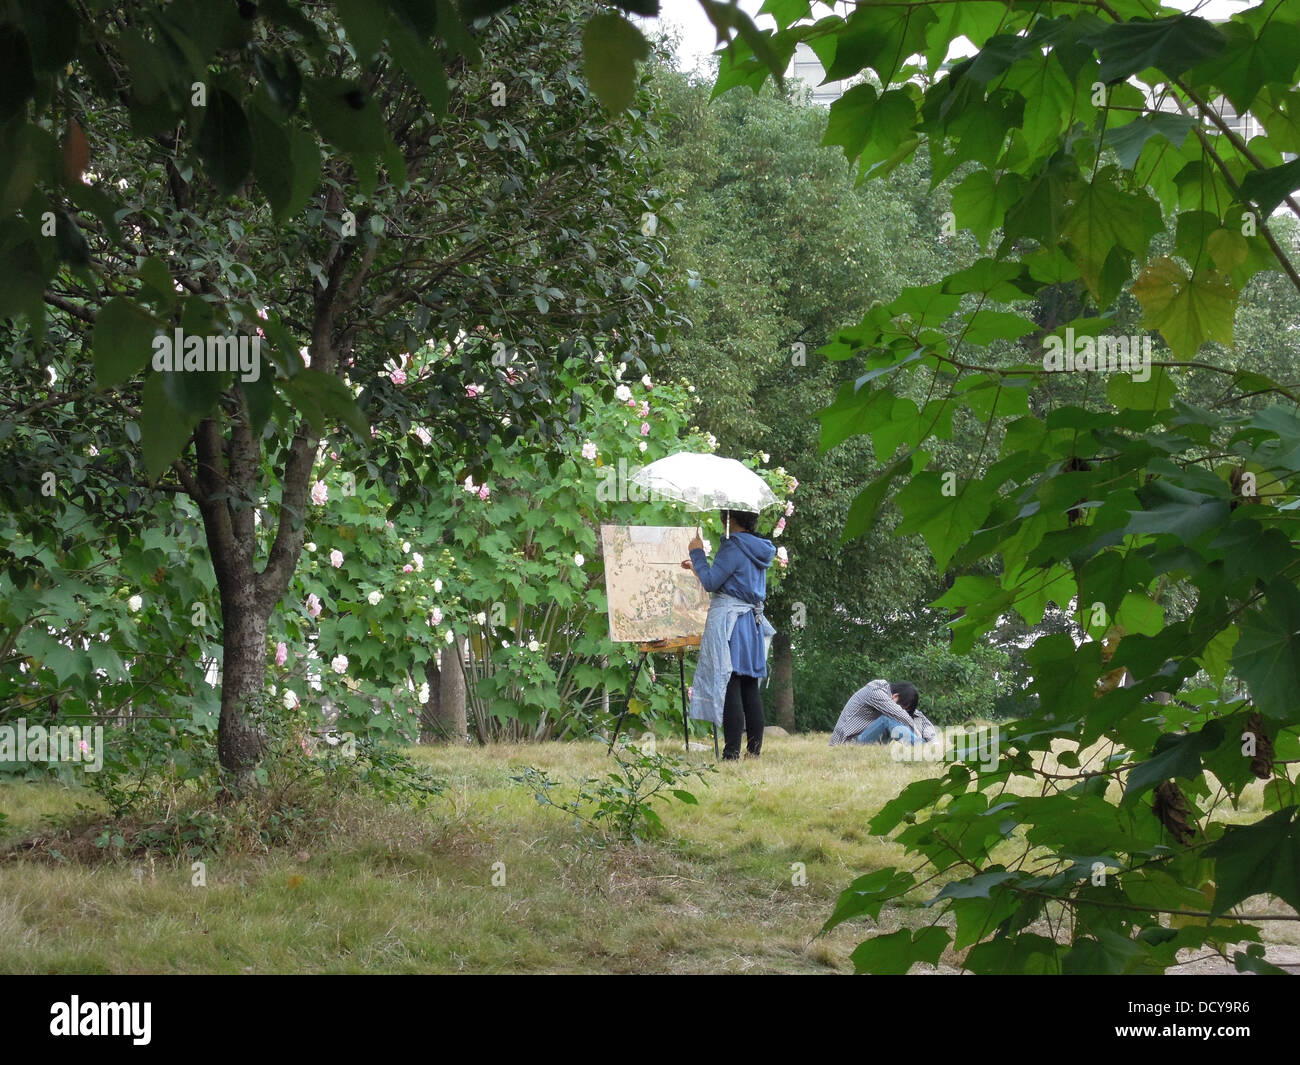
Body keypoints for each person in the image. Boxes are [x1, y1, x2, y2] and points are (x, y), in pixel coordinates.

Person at [681, 509, 777, 760]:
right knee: (748, 687)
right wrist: (697, 568)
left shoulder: (734, 546)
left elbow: (712, 583)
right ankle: (753, 752)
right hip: (750, 624)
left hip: (732, 624)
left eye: (725, 516)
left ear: (731, 519)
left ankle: (731, 753)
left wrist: (697, 553)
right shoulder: (759, 548)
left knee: (732, 684)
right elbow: (733, 581)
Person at [828, 679, 936, 747]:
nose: (902, 710)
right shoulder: (875, 691)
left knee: (897, 719)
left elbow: (916, 715)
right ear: (895, 696)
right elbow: (901, 715)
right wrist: (918, 736)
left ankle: (923, 745)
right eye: (903, 707)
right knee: (888, 720)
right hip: (846, 744)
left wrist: (933, 740)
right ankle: (921, 747)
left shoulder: (889, 700)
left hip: (863, 740)